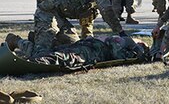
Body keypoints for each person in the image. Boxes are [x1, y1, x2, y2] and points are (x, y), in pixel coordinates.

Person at [30, 0, 126, 54]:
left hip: (59, 17)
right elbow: (106, 10)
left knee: (74, 45)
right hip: (47, 12)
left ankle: (38, 37)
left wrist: (88, 39)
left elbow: (87, 20)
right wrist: (120, 31)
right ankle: (17, 41)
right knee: (41, 53)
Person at [5, 33, 147, 68]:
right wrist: (135, 53)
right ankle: (28, 61)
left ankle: (18, 41)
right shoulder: (124, 41)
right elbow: (118, 55)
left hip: (86, 45)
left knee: (50, 51)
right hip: (87, 51)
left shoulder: (122, 40)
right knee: (58, 57)